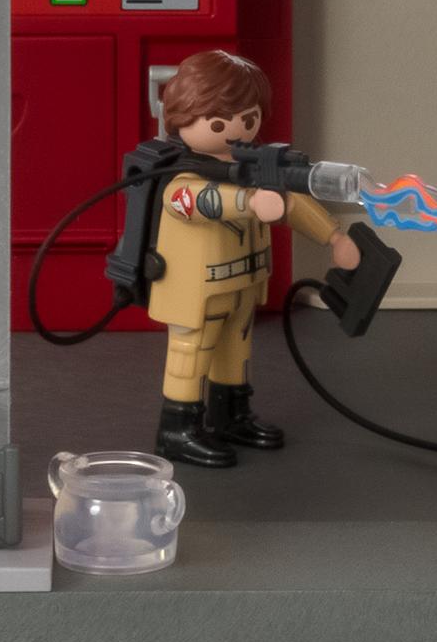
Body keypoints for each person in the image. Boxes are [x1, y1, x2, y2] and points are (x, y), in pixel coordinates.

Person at [135, 48, 347, 473]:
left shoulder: (251, 168)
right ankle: (178, 429)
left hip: (243, 285)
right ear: (181, 118)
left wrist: (333, 235)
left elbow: (292, 203)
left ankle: (231, 416)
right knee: (191, 354)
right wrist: (249, 202)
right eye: (219, 122)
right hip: (196, 290)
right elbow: (198, 202)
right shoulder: (179, 176)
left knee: (235, 351)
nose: (237, 130)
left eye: (249, 119)